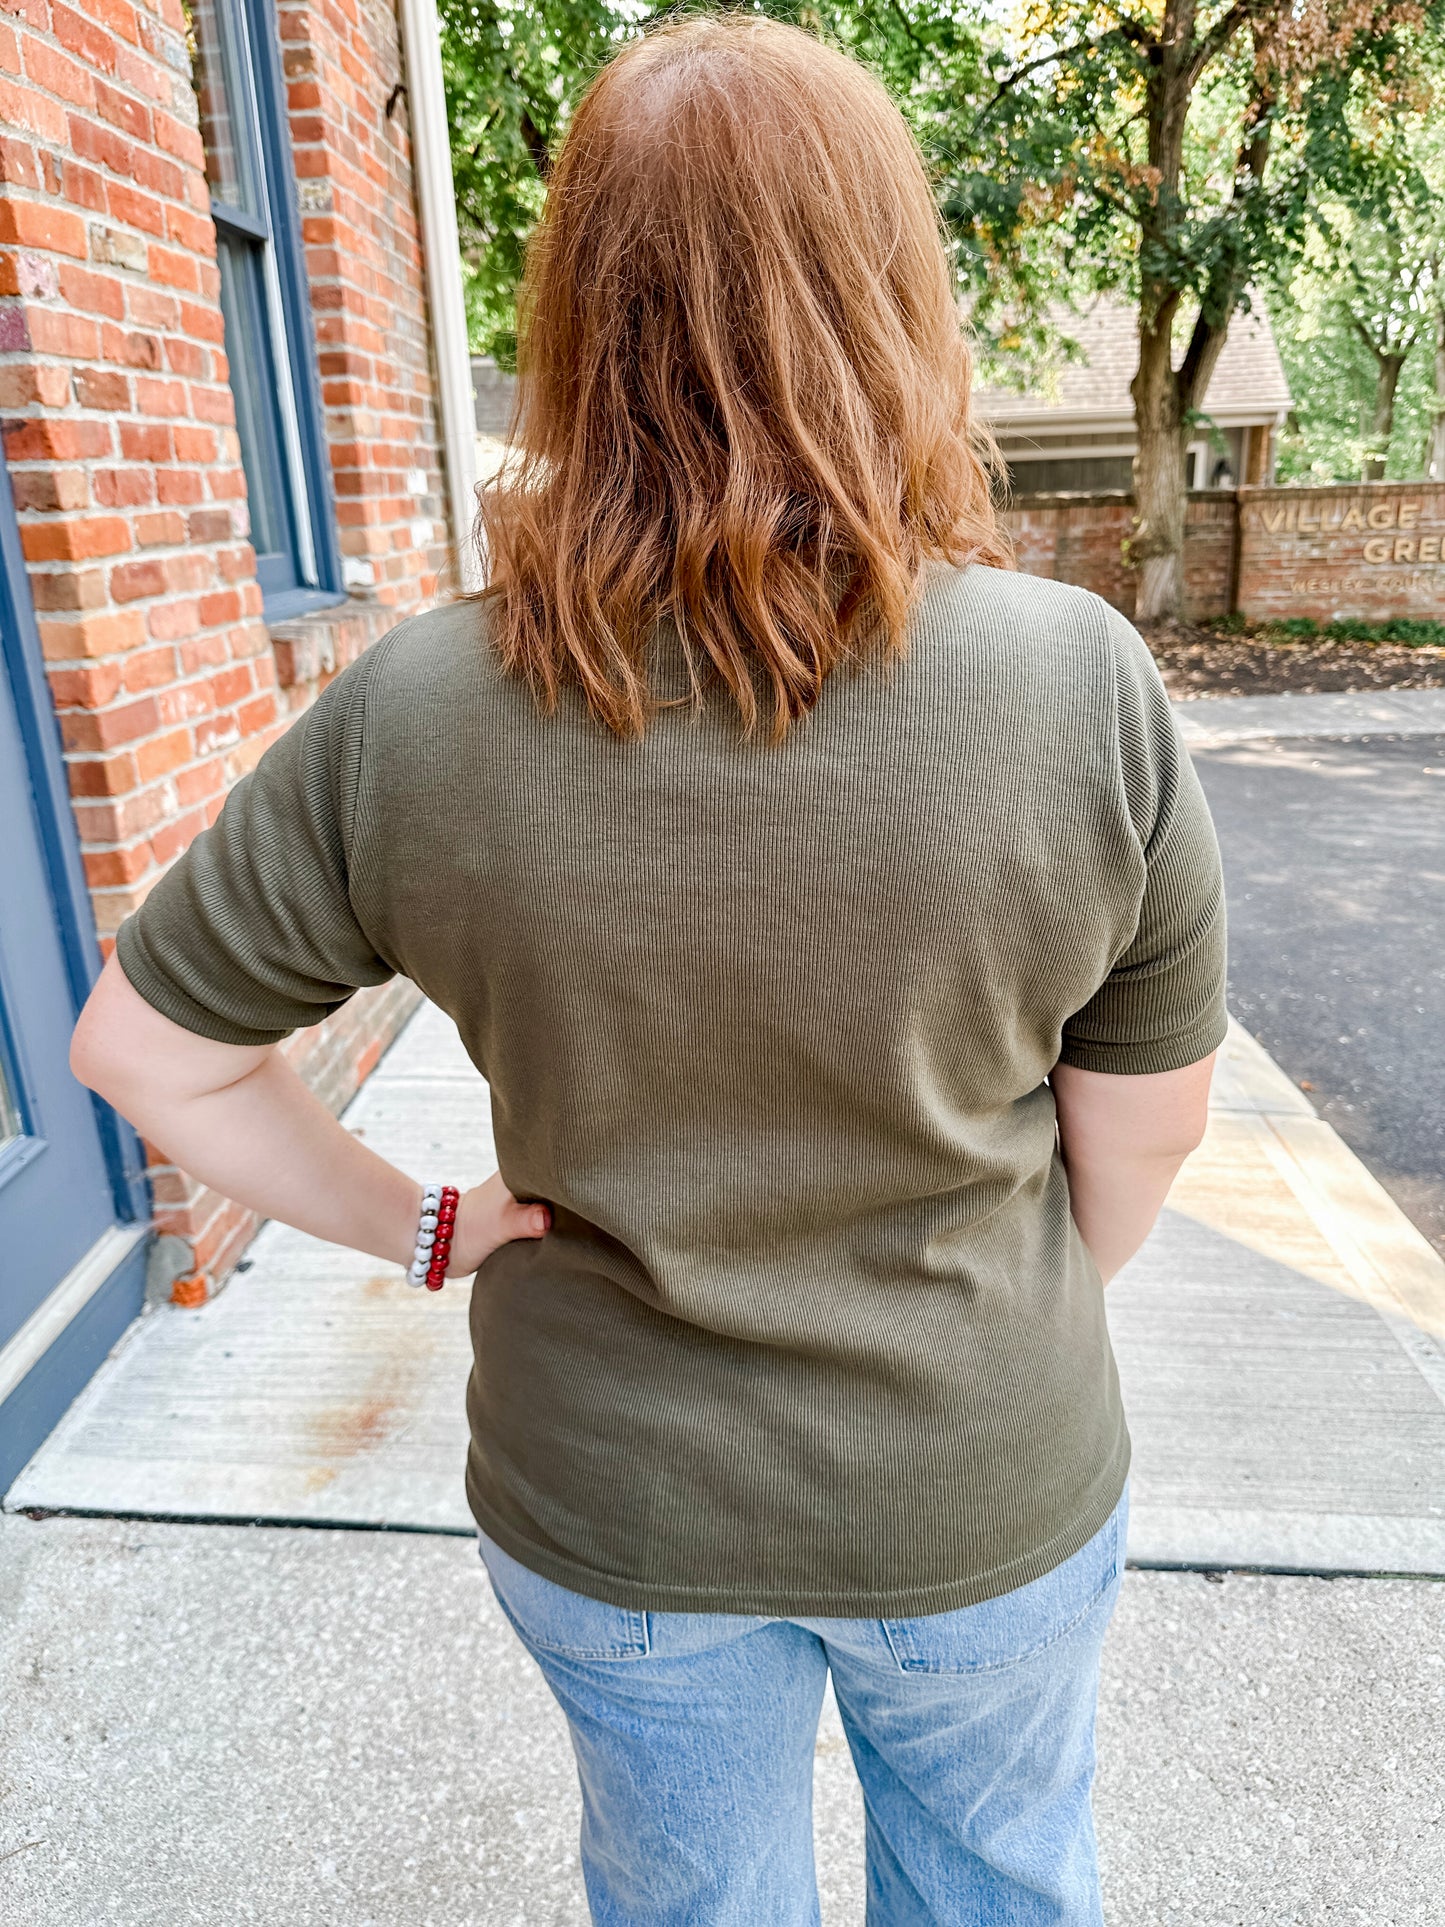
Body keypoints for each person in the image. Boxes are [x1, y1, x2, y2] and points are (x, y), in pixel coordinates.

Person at [73, 15, 1226, 1925]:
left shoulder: (423, 712)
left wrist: (426, 1228)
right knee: (1004, 1888)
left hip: (617, 1514)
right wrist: (981, 1317)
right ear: (890, 298)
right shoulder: (1072, 682)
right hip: (975, 1482)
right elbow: (1144, 1139)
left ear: (581, 317)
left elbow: (143, 1050)